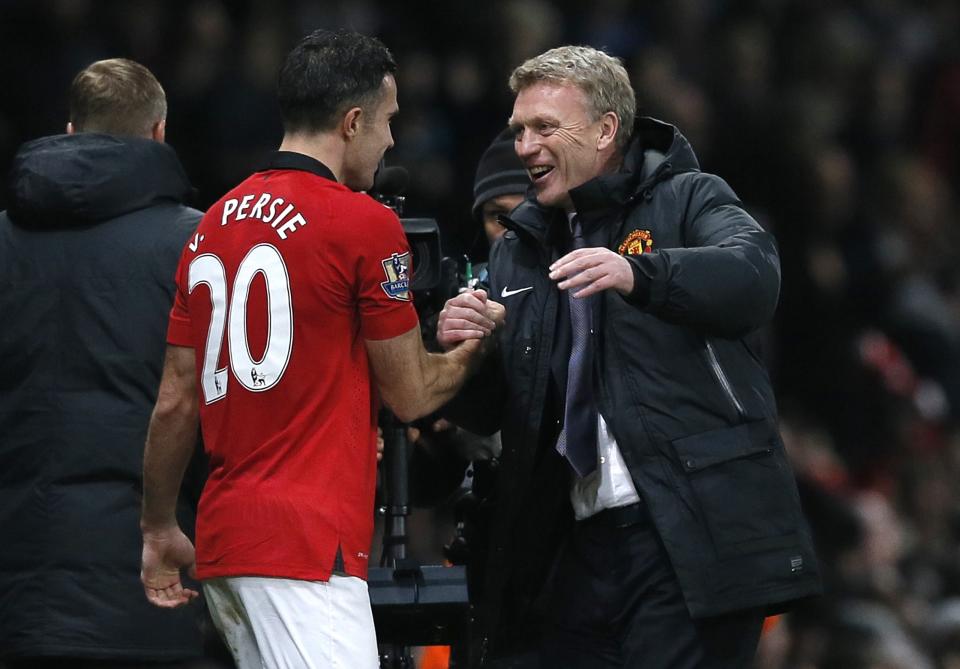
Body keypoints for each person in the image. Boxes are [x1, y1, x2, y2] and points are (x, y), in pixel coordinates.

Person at [438, 45, 822, 668]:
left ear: (606, 129)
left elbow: (754, 276)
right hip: (577, 543)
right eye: (518, 131)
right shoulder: (521, 250)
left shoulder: (687, 198)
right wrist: (466, 352)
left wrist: (639, 274)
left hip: (688, 531)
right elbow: (501, 411)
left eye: (543, 128)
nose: (525, 147)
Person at [138, 29, 494, 669]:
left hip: (227, 548)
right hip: (306, 552)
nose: (390, 142)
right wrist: (475, 348)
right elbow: (411, 392)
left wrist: (159, 526)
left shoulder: (210, 225)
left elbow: (174, 400)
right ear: (353, 122)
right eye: (387, 122)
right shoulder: (364, 223)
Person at [0, 59, 207, 666]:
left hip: (17, 599)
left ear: (70, 132)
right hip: (153, 587)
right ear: (159, 133)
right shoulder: (195, 245)